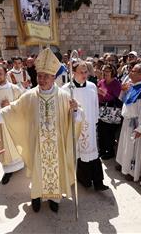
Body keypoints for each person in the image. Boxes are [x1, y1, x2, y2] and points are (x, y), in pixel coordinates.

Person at [0, 48, 82, 213]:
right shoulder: (30, 95)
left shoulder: (64, 95)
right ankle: (36, 196)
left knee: (54, 172)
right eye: (39, 76)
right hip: (37, 143)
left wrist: (75, 109)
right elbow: (12, 110)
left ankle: (54, 198)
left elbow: (78, 117)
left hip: (56, 145)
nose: (41, 79)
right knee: (38, 170)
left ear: (53, 77)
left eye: (45, 76)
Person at [62, 61, 109, 191]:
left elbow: (95, 104)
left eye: (86, 72)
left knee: (93, 153)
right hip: (76, 126)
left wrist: (95, 121)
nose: (84, 75)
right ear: (73, 73)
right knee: (80, 153)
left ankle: (98, 182)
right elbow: (63, 110)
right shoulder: (66, 89)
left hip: (90, 125)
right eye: (81, 72)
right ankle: (85, 179)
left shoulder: (92, 86)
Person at [0, 64, 24, 185]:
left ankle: (21, 164)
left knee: (17, 144)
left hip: (14, 122)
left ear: (6, 74)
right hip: (1, 126)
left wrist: (11, 104)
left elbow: (23, 103)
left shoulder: (15, 88)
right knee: (4, 146)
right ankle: (8, 171)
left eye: (0, 74)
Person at [116, 63, 141, 181]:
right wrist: (124, 90)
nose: (130, 72)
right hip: (128, 121)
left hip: (136, 123)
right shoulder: (133, 85)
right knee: (126, 146)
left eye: (134, 70)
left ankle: (134, 172)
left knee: (134, 149)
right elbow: (125, 102)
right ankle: (124, 166)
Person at [97, 64, 122, 160]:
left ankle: (110, 151)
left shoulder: (116, 83)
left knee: (109, 133)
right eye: (103, 70)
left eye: (107, 71)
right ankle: (102, 150)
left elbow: (115, 98)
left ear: (113, 72)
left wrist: (103, 93)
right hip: (102, 109)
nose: (105, 73)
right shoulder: (101, 82)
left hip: (112, 111)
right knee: (101, 131)